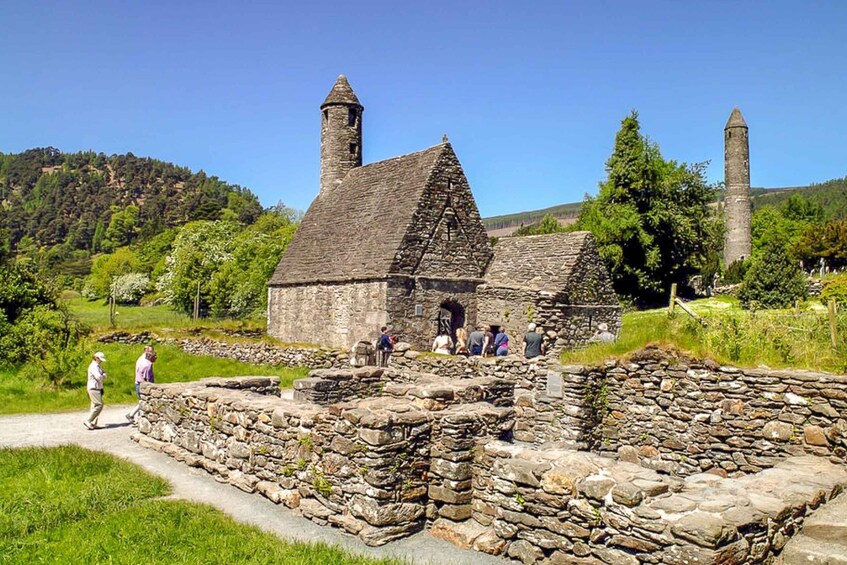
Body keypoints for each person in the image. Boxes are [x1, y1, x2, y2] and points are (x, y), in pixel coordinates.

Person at [127, 347, 156, 423]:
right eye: (155, 356)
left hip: (138, 383)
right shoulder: (148, 364)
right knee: (143, 401)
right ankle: (133, 416)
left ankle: (133, 416)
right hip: (142, 385)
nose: (156, 358)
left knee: (141, 401)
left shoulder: (142, 359)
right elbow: (147, 378)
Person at [84, 352, 107, 430]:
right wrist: (103, 375)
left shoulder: (98, 366)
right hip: (93, 388)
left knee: (94, 405)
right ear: (96, 358)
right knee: (99, 405)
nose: (101, 361)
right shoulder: (93, 366)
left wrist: (103, 375)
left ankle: (93, 423)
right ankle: (88, 421)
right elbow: (98, 377)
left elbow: (103, 373)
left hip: (97, 387)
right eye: (100, 359)